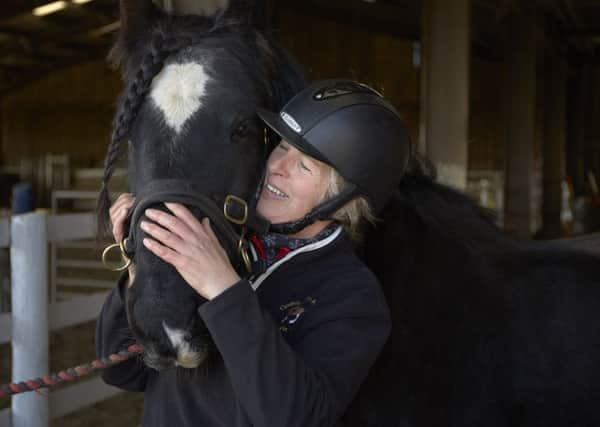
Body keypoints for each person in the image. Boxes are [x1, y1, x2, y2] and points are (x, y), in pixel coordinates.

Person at [97, 79, 411, 427]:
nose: (276, 166)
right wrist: (141, 263)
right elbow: (121, 371)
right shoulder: (225, 245)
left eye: (305, 166)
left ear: (345, 201)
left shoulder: (353, 299)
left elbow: (297, 417)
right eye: (282, 147)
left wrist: (224, 290)